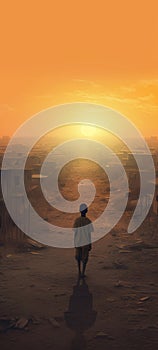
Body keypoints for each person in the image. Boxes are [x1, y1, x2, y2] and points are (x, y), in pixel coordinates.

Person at [73, 203, 94, 278]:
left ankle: (79, 271)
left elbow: (75, 233)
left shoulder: (77, 220)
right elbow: (89, 234)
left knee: (78, 257)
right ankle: (82, 273)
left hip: (78, 241)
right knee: (85, 258)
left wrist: (74, 242)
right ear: (86, 211)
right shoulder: (88, 221)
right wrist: (90, 244)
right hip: (85, 242)